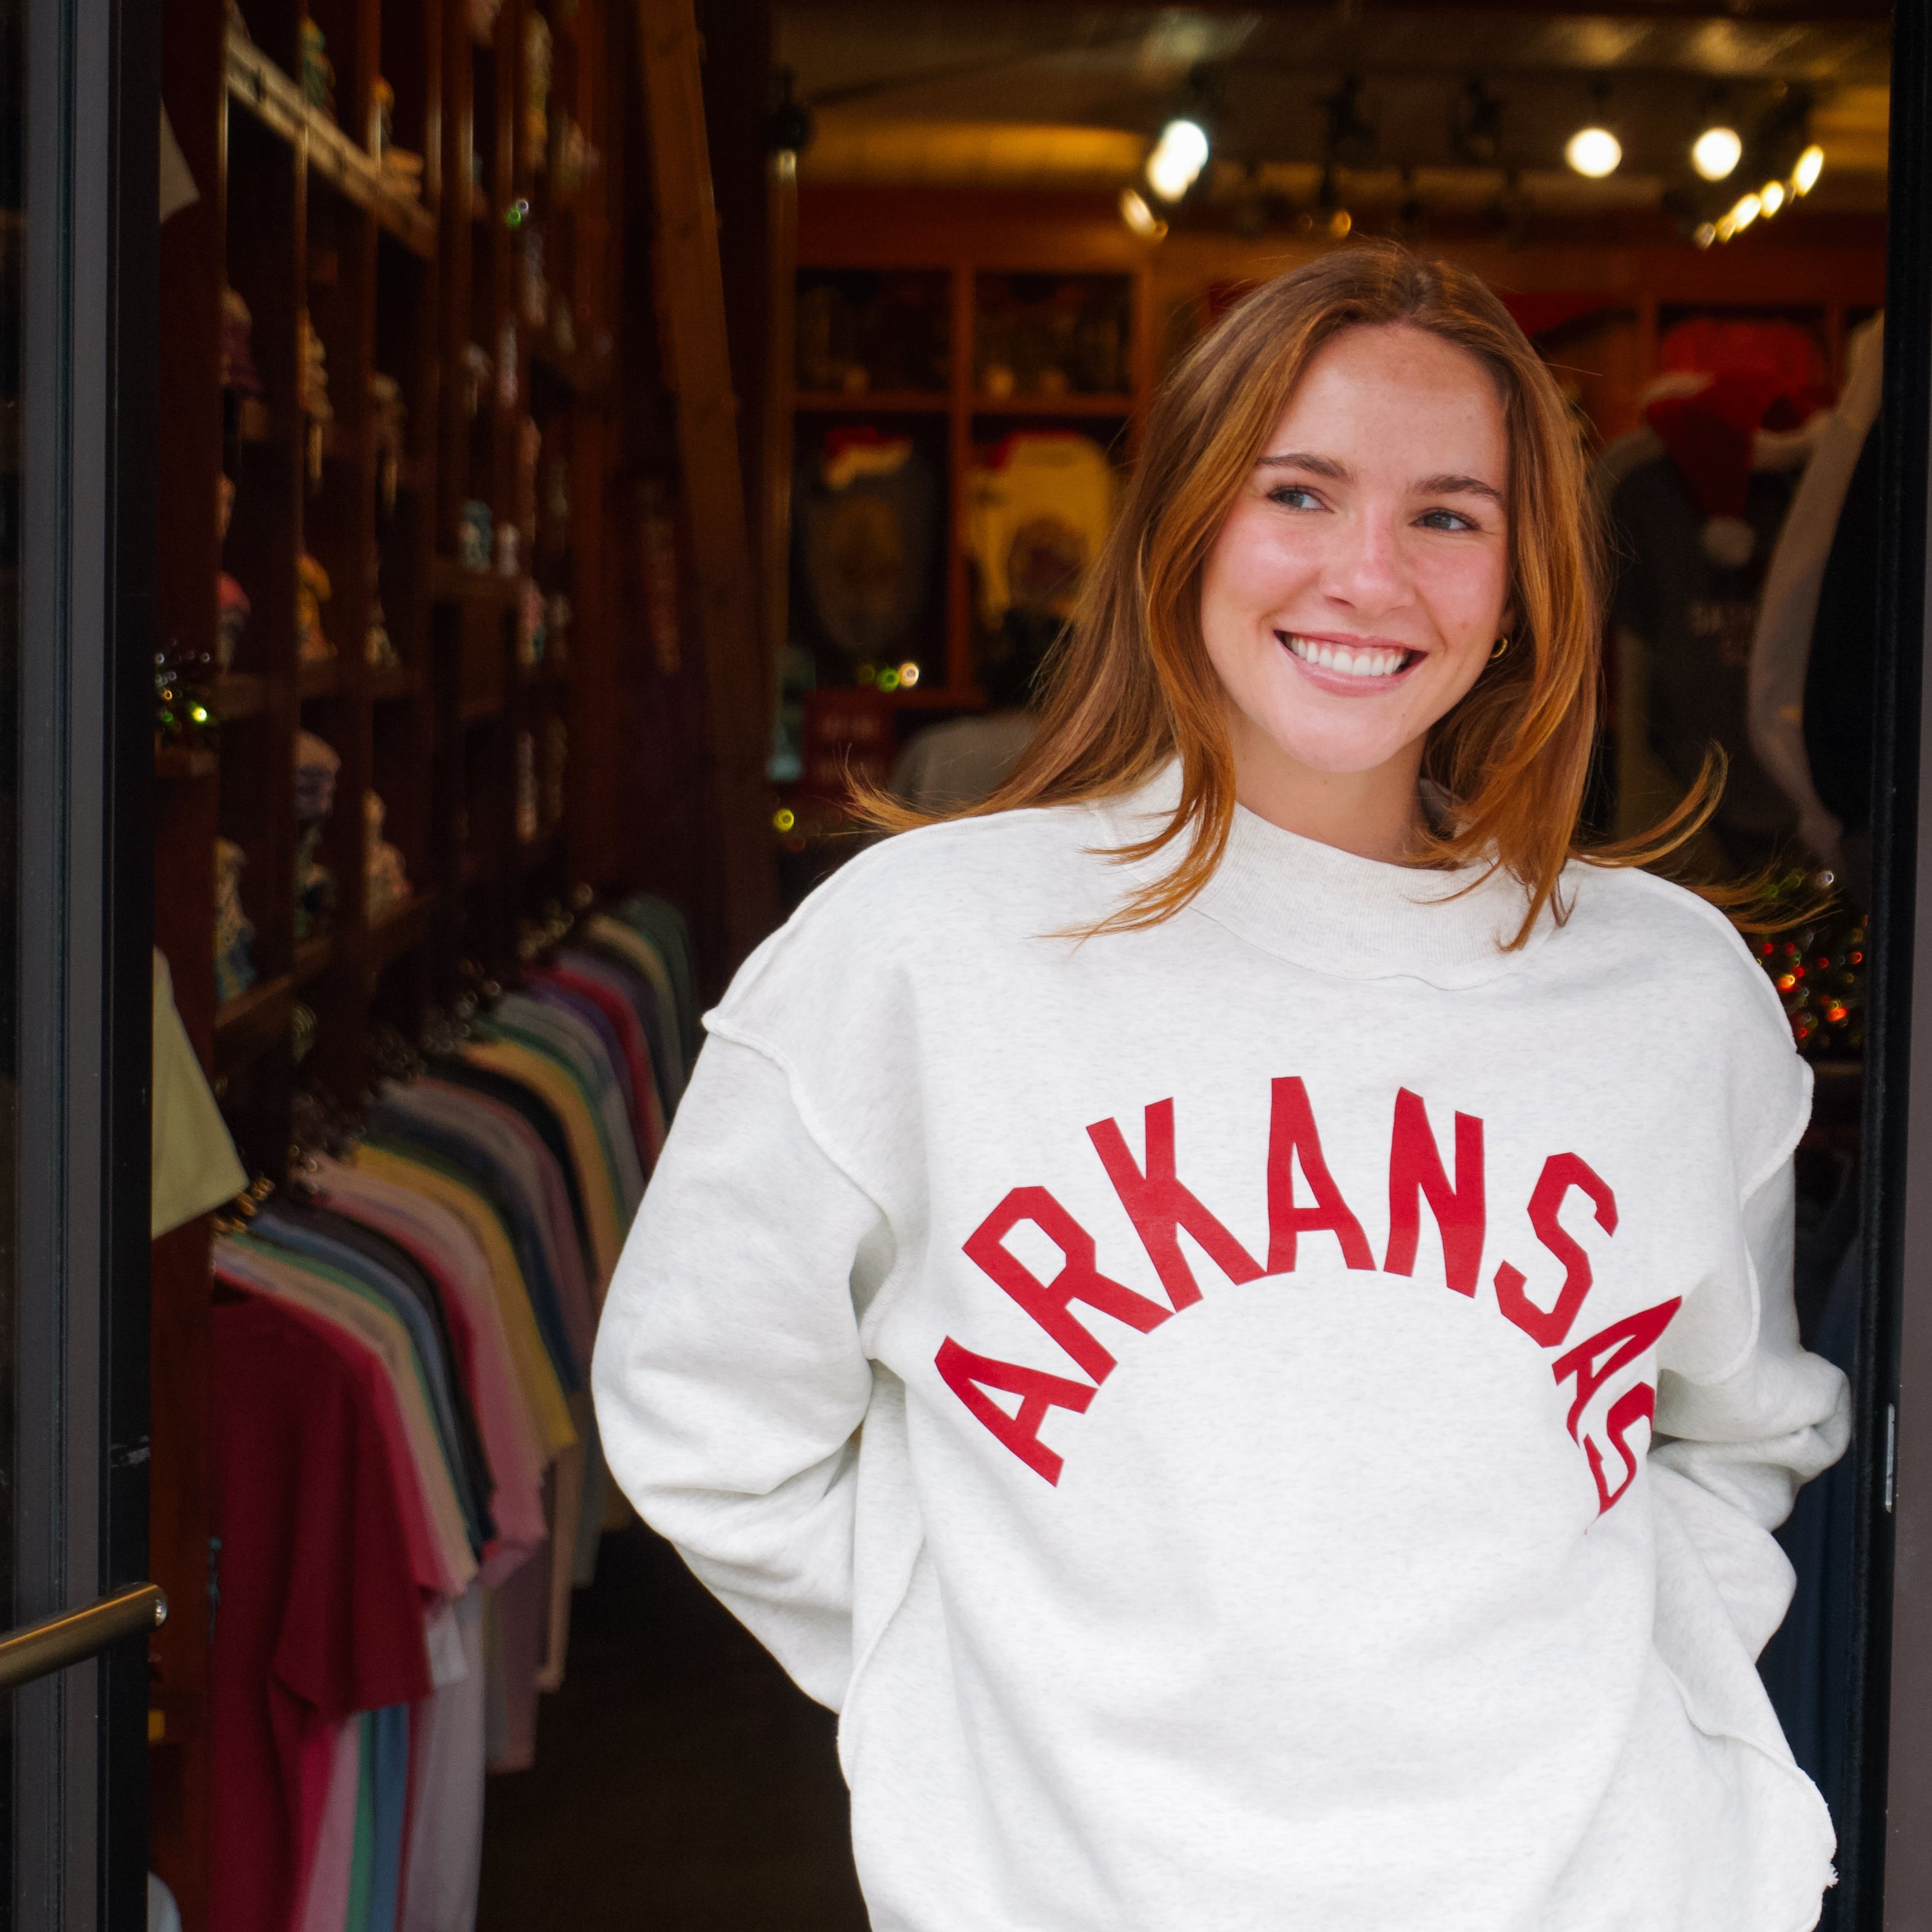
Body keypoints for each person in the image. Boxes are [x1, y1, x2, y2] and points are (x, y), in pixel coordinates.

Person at [593, 243, 1849, 1932]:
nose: (1367, 573)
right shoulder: (918, 954)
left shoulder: (1669, 995)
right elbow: (704, 1409)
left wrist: (1631, 1692)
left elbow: (1740, 1424)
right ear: (1185, 522)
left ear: (1528, 575)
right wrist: (979, 1680)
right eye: (1300, 490)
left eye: (1448, 514)